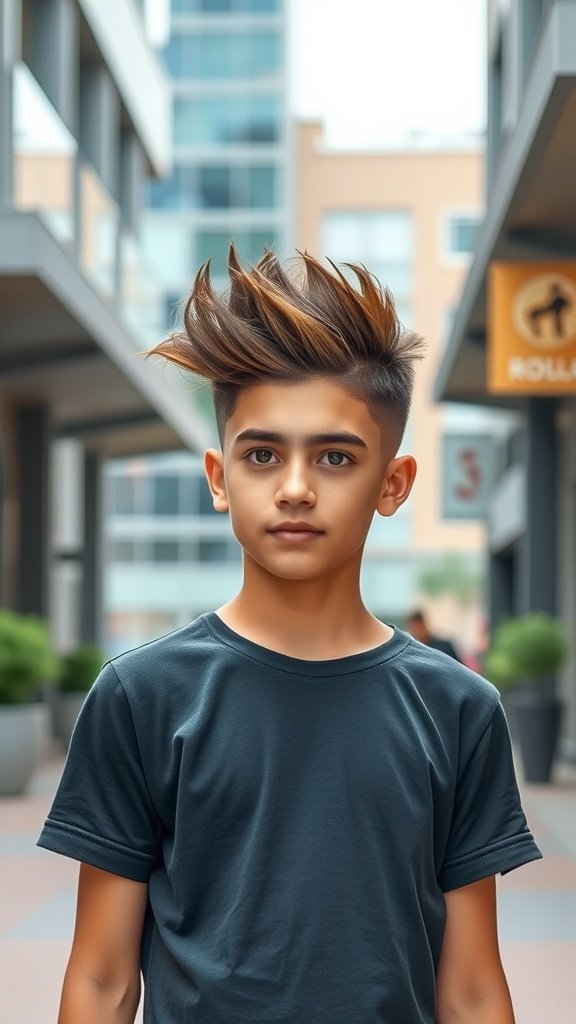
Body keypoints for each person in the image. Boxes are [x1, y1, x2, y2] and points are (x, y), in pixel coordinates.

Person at [38, 248, 541, 1024]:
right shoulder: (141, 696)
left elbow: (472, 988)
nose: (296, 487)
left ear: (393, 484)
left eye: (335, 456)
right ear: (218, 476)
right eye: (262, 454)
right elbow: (102, 978)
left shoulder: (459, 709)